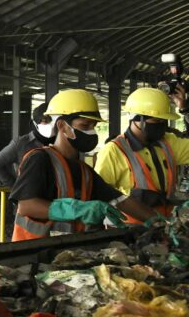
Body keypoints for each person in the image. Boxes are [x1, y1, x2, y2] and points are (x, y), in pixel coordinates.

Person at [10, 89, 156, 240]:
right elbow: (26, 205)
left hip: (64, 253)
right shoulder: (39, 159)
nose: (91, 132)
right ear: (62, 126)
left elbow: (120, 200)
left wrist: (159, 222)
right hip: (30, 253)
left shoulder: (84, 171)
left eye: (94, 126)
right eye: (85, 125)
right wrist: (76, 209)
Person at [95, 87, 189, 222]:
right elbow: (98, 195)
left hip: (165, 225)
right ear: (137, 118)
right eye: (157, 121)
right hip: (129, 231)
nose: (162, 125)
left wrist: (186, 111)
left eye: (164, 121)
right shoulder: (113, 151)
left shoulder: (168, 142)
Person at [0, 103, 53, 187]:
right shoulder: (21, 143)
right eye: (45, 121)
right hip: (29, 196)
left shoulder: (60, 141)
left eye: (53, 121)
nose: (51, 125)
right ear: (35, 123)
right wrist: (15, 186)